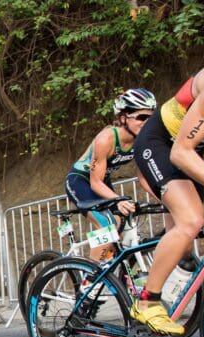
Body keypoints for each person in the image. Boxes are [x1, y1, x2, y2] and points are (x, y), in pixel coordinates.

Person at [132, 38, 204, 336]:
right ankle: (146, 303)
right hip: (161, 144)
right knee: (192, 220)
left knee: (187, 242)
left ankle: (162, 281)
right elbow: (180, 153)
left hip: (190, 152)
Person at [65, 88, 157, 264]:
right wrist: (118, 200)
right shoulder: (106, 139)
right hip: (81, 180)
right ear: (123, 118)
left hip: (103, 181)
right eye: (142, 117)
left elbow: (144, 176)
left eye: (151, 118)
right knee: (107, 226)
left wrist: (163, 197)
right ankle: (90, 280)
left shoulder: (141, 140)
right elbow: (95, 182)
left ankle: (109, 276)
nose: (147, 123)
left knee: (121, 227)